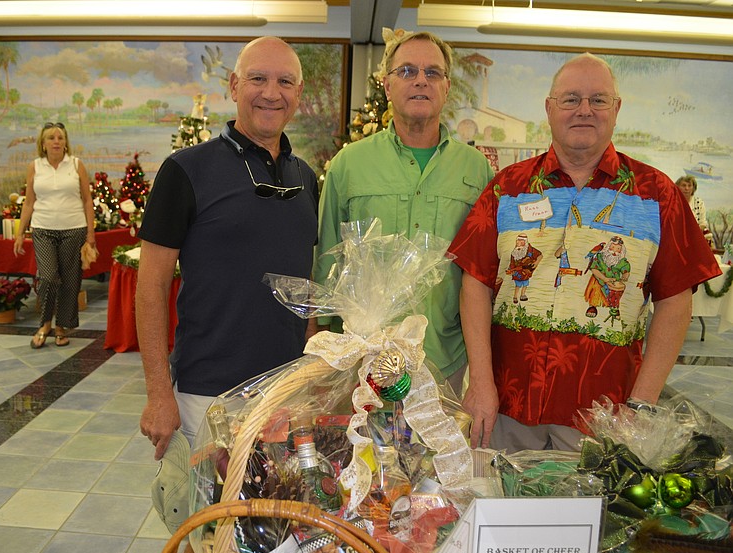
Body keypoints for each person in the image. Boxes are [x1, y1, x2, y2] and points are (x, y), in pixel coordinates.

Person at [448, 53, 722, 453]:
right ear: (549, 108)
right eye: (571, 99)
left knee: (591, 516)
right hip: (505, 407)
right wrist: (482, 384)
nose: (584, 110)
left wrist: (642, 404)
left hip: (605, 415)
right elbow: (475, 285)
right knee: (498, 508)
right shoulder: (507, 188)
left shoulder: (656, 194)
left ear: (616, 109)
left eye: (598, 100)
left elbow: (675, 301)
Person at [137, 36, 318, 459]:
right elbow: (149, 290)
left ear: (298, 94)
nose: (271, 93)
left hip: (284, 395)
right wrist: (159, 395)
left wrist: (310, 372)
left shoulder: (306, 177)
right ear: (235, 86)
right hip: (207, 396)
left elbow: (304, 282)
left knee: (279, 520)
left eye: (285, 81)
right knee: (209, 521)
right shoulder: (185, 170)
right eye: (258, 78)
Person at [313, 28, 494, 395]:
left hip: (446, 363)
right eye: (407, 71)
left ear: (446, 87)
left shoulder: (477, 171)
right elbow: (325, 269)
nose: (420, 82)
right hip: (362, 363)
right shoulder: (349, 165)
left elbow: (486, 272)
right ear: (387, 84)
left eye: (433, 73)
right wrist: (321, 363)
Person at [14, 122, 96, 349]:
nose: (56, 142)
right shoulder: (35, 166)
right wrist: (20, 233)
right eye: (51, 138)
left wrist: (91, 233)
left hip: (74, 228)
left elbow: (87, 200)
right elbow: (29, 202)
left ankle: (62, 327)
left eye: (60, 138)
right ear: (43, 143)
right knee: (48, 277)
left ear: (66, 142)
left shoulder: (76, 165)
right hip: (43, 229)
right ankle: (45, 324)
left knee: (70, 281)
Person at [675, 174, 712, 245]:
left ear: (693, 188)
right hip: (677, 236)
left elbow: (703, 223)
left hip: (695, 235)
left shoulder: (699, 202)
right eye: (684, 185)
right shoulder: (673, 202)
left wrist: (692, 233)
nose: (687, 188)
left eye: (689, 186)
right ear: (678, 187)